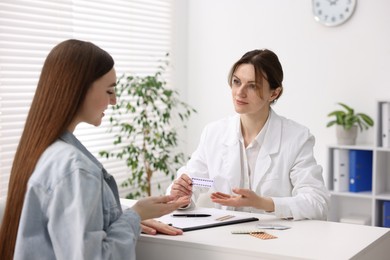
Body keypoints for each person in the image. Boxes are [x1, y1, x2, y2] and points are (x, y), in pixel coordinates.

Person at [0, 39, 190, 260]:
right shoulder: (75, 169)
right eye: (109, 90)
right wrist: (135, 215)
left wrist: (127, 217)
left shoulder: (43, 150)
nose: (114, 101)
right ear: (78, 89)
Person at [168, 49, 330, 220]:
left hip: (278, 239)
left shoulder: (296, 138)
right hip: (223, 235)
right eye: (237, 82)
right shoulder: (214, 133)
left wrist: (262, 203)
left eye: (252, 86)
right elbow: (204, 182)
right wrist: (184, 194)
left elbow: (317, 202)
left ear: (274, 93)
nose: (240, 92)